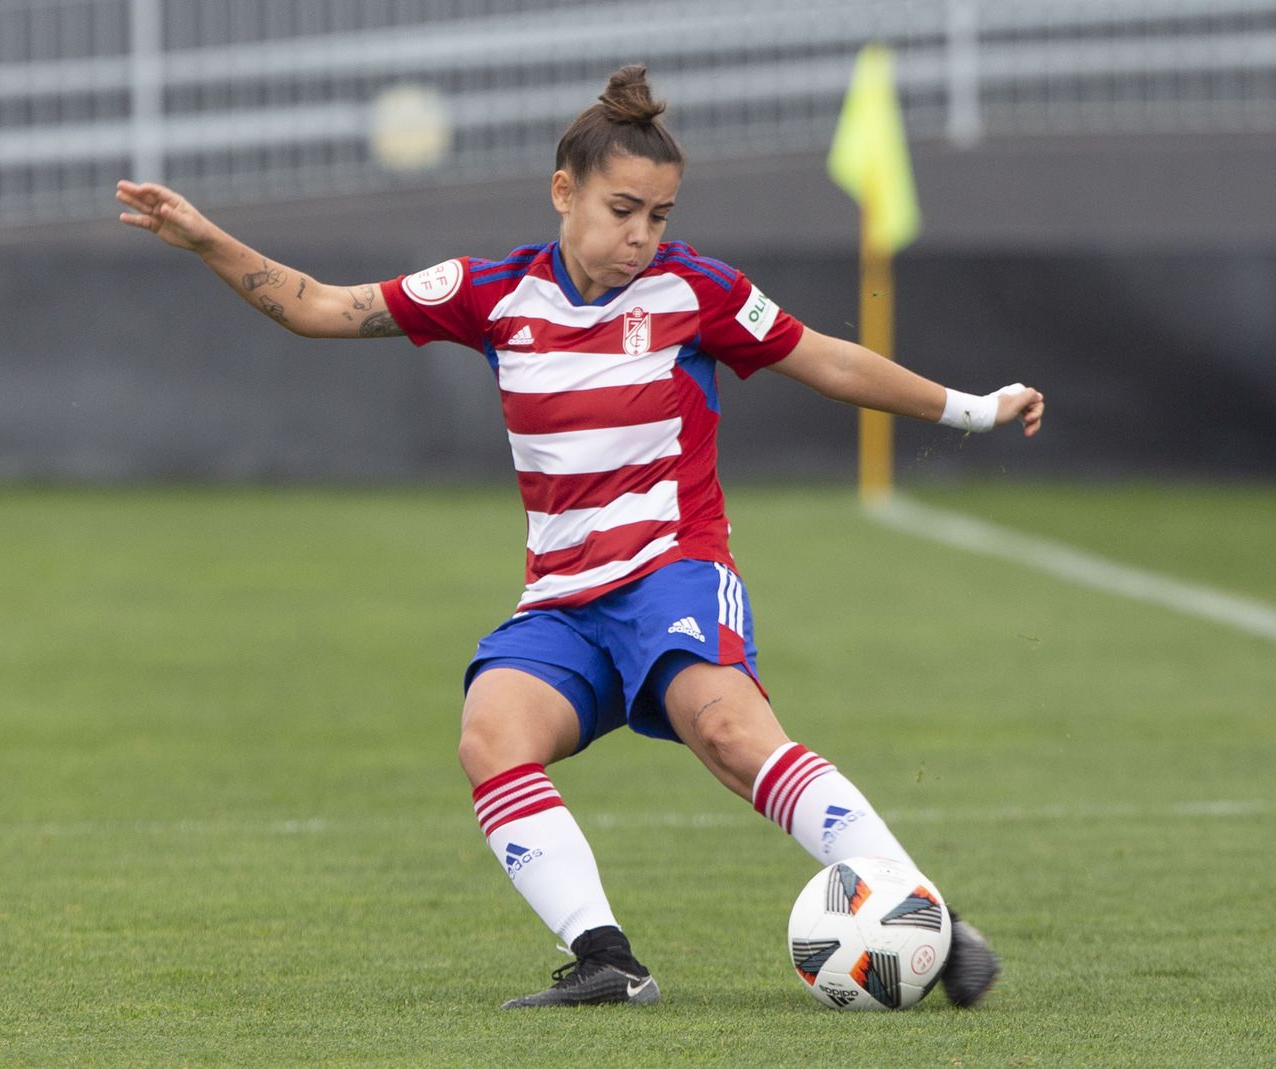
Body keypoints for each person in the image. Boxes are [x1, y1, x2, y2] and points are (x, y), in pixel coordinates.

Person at [117, 64, 1042, 1010]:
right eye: (623, 208)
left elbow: (826, 359)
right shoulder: (490, 292)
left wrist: (973, 408)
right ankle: (607, 960)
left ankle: (935, 919)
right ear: (564, 192)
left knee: (726, 730)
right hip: (563, 599)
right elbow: (318, 306)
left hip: (673, 571)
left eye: (660, 215)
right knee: (492, 733)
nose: (642, 235)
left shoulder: (699, 291)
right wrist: (202, 239)